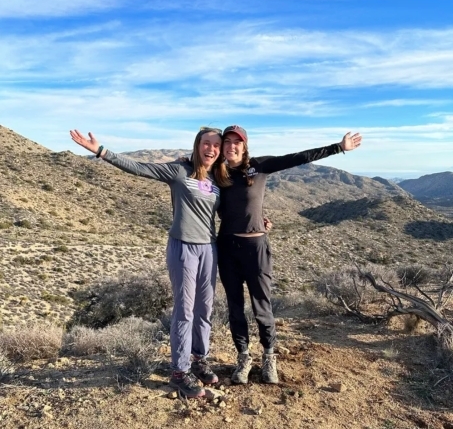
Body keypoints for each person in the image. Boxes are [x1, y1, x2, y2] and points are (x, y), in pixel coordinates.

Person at [70, 127, 229, 398]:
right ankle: (179, 372)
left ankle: (199, 358)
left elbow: (231, 210)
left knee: (205, 308)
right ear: (197, 145)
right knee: (185, 309)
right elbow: (140, 168)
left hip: (209, 249)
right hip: (183, 248)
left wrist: (258, 220)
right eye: (206, 143)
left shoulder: (218, 179)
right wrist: (101, 151)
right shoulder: (179, 171)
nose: (211, 149)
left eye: (216, 145)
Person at [217, 125, 362, 385]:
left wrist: (338, 148)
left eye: (236, 142)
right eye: (226, 142)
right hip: (227, 247)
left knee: (262, 306)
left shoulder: (259, 166)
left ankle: (269, 357)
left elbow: (297, 157)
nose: (231, 146)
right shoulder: (217, 172)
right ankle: (243, 357)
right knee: (235, 307)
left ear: (244, 145)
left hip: (256, 247)